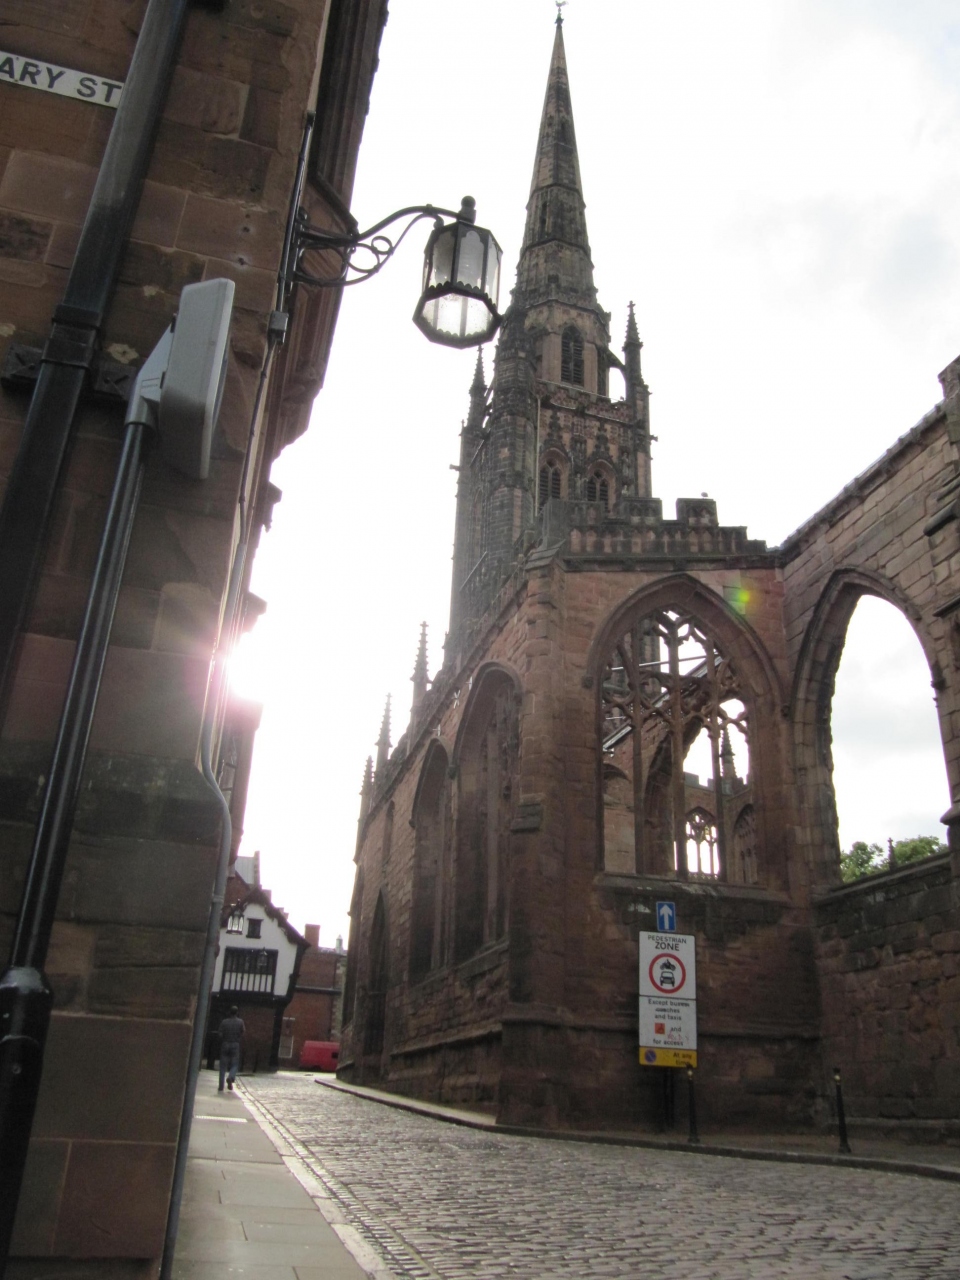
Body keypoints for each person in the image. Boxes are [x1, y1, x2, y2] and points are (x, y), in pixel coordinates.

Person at [217, 1005, 245, 1091]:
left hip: (225, 1043)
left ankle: (221, 1086)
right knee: (235, 1064)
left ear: (230, 1012)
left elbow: (220, 1033)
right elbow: (243, 1031)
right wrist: (238, 1037)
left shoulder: (224, 1022)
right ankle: (231, 1077)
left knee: (222, 1066)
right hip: (235, 1044)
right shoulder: (240, 1022)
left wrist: (224, 1038)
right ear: (237, 1013)